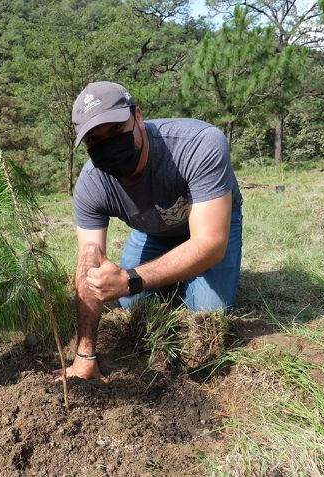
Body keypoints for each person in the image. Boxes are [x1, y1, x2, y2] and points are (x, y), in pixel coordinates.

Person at [63, 81, 243, 381]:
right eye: (95, 140)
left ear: (138, 116)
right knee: (131, 303)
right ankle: (172, 273)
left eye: (115, 131)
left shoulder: (198, 144)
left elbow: (210, 242)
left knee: (206, 311)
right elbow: (88, 265)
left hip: (211, 226)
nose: (108, 145)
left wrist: (131, 278)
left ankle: (191, 277)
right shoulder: (92, 184)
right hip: (154, 231)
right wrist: (85, 354)